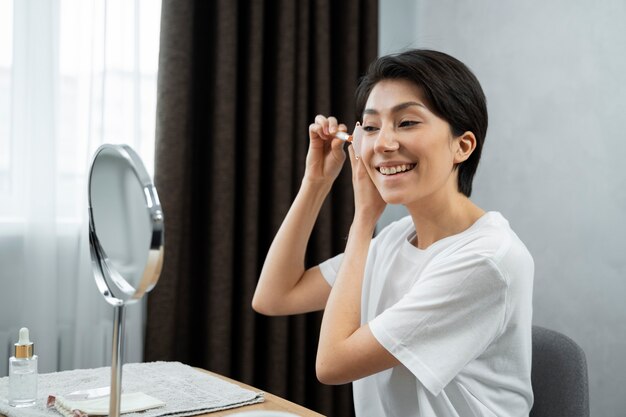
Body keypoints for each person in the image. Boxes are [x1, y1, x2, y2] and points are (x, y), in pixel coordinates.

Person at [252, 49, 534, 417]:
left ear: (461, 146)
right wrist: (315, 182)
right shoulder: (398, 237)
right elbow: (274, 297)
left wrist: (364, 219)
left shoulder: (486, 261)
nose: (383, 143)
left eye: (407, 123)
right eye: (370, 127)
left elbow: (332, 365)